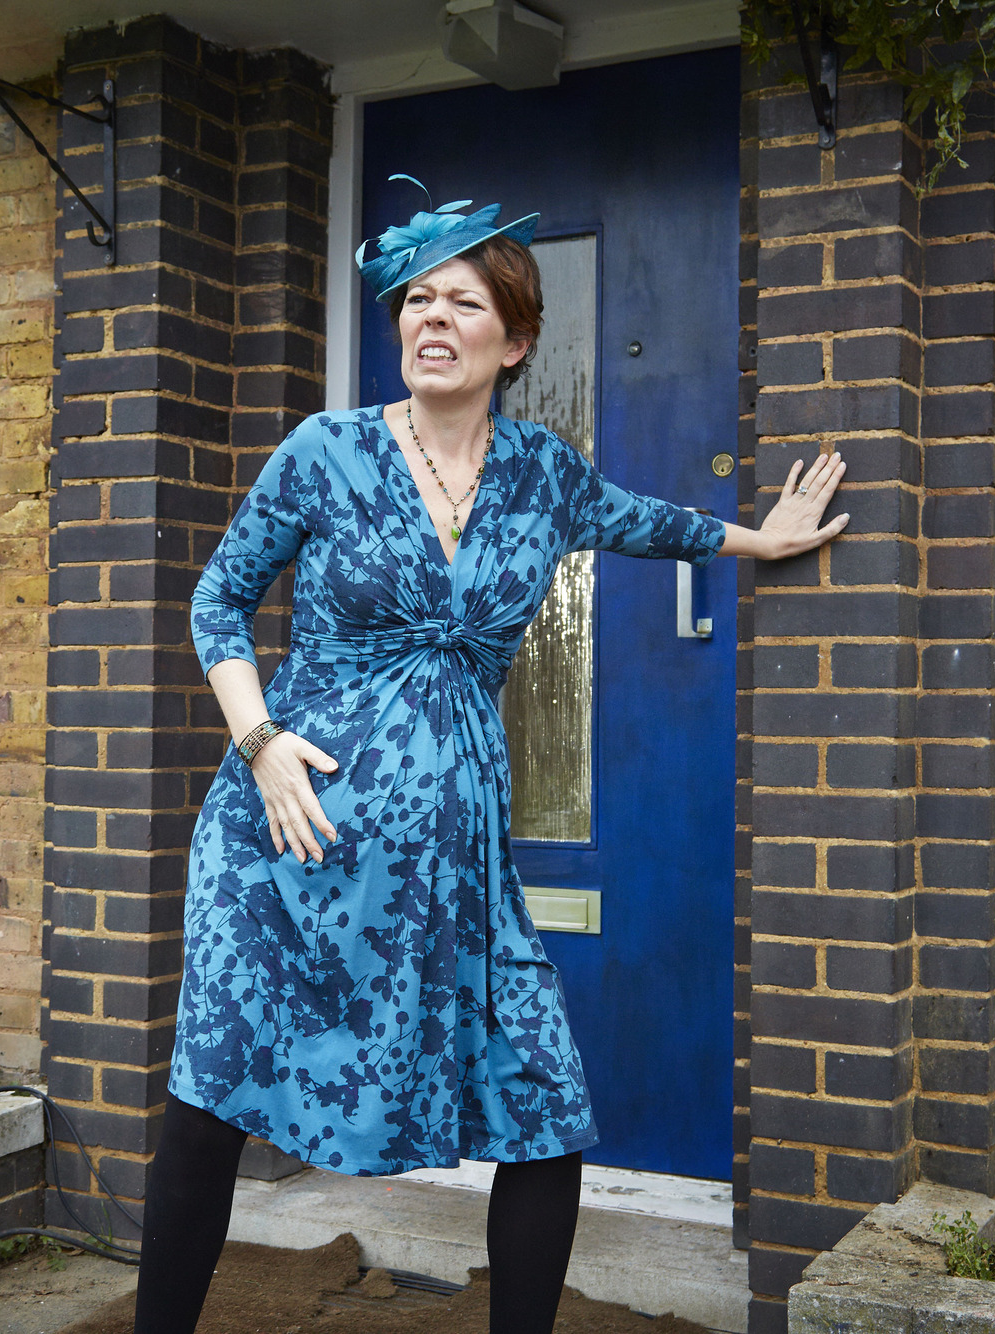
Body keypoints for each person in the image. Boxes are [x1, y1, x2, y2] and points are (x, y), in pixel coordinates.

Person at [133, 179, 850, 1334]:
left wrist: (757, 539)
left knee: (542, 1101)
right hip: (286, 839)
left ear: (512, 341)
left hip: (454, 865)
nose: (431, 316)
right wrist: (258, 741)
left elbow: (646, 520)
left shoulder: (540, 474)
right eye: (416, 298)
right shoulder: (325, 450)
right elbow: (218, 599)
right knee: (215, 1093)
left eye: (461, 302)